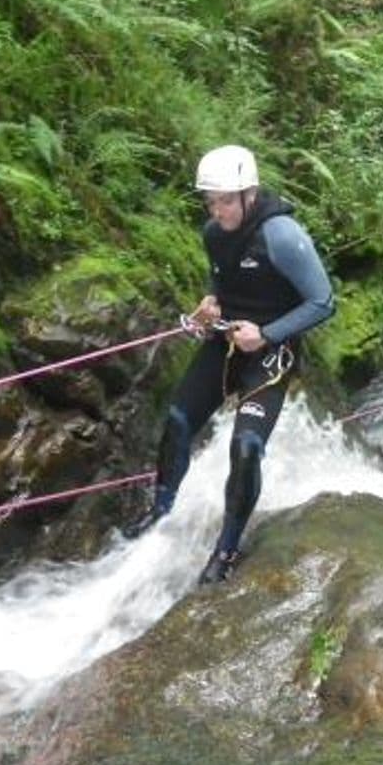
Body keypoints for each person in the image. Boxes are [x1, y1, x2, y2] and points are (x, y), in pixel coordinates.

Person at [123, 145, 335, 583]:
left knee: (246, 449)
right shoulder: (213, 233)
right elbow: (222, 279)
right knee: (179, 420)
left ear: (249, 193)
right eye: (210, 200)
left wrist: (269, 334)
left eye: (225, 200)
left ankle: (227, 549)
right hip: (227, 340)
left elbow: (322, 302)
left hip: (272, 349)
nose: (217, 210)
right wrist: (210, 305)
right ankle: (161, 510)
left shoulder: (283, 235)